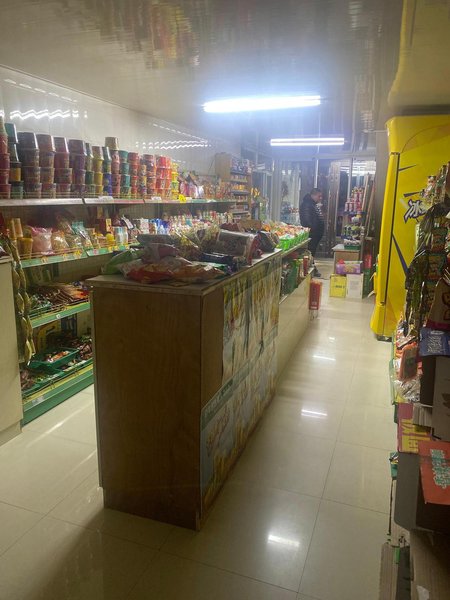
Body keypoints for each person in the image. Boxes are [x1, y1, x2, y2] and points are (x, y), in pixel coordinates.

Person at [300, 188, 324, 277]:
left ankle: (311, 268)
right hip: (312, 234)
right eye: (319, 196)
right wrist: (313, 229)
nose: (320, 198)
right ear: (313, 195)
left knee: (312, 252)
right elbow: (306, 221)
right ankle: (309, 269)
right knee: (310, 252)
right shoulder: (307, 205)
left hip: (315, 234)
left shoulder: (313, 204)